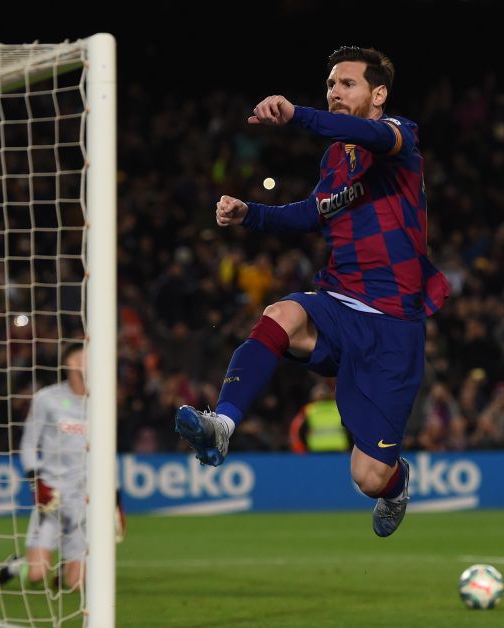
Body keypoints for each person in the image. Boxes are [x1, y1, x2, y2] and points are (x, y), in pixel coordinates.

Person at [174, 45, 449, 537]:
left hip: (393, 326)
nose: (335, 92)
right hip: (339, 301)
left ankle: (395, 481)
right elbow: (310, 213)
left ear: (378, 93)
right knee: (281, 314)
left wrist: (299, 114)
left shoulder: (398, 136)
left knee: (368, 478)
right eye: (330, 85)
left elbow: (363, 131)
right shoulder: (334, 160)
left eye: (348, 84)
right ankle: (223, 425)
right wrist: (250, 214)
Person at [0, 344, 124, 591]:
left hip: (84, 498)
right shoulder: (47, 399)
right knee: (37, 575)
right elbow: (27, 444)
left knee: (75, 584)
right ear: (70, 362)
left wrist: (116, 498)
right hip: (53, 496)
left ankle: (68, 567)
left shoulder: (102, 402)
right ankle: (15, 565)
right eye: (84, 355)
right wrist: (36, 482)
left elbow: (106, 453)